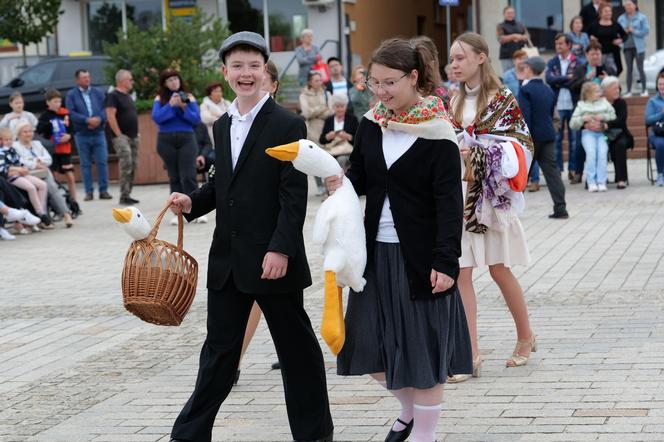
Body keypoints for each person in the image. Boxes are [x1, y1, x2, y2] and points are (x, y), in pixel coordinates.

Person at [166, 31, 334, 442]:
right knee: (219, 353)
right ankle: (187, 435)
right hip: (228, 260)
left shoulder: (287, 123)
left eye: (253, 66)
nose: (246, 73)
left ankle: (314, 436)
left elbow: (292, 198)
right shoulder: (222, 125)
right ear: (225, 73)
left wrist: (280, 249)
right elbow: (225, 184)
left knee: (298, 353)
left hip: (274, 261)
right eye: (237, 66)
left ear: (265, 72)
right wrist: (193, 202)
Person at [324, 36, 471, 442]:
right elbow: (363, 173)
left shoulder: (438, 131)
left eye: (390, 83)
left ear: (413, 77)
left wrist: (446, 262)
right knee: (363, 344)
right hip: (374, 254)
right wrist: (343, 182)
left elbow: (449, 203)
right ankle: (408, 410)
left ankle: (424, 433)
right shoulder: (372, 124)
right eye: (375, 82)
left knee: (422, 353)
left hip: (422, 258)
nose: (382, 91)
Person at [447, 32, 536, 384]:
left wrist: (481, 152)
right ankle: (469, 354)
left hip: (490, 197)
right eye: (451, 59)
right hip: (459, 195)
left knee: (500, 269)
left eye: (460, 58)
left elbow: (522, 144)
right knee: (460, 272)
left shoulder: (502, 98)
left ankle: (526, 336)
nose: (453, 65)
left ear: (481, 57)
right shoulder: (451, 100)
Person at [237, 57, 283, 376]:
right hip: (245, 225)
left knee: (264, 297)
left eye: (262, 78)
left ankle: (233, 361)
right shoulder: (237, 120)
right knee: (264, 298)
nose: (254, 82)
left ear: (273, 85)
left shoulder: (283, 124)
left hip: (274, 227)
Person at [518, 57, 569, 219]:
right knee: (552, 172)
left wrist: (524, 139)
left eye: (525, 67)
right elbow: (549, 113)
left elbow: (525, 117)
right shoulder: (548, 89)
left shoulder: (525, 90)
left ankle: (512, 210)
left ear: (531, 69)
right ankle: (561, 208)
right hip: (548, 135)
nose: (523, 70)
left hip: (531, 137)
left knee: (522, 174)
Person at [152, 68, 201, 225]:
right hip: (166, 140)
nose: (174, 82)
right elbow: (157, 118)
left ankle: (197, 209)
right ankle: (177, 212)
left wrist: (183, 107)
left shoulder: (189, 97)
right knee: (174, 177)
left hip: (187, 138)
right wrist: (170, 106)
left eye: (176, 79)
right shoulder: (160, 98)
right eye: (170, 80)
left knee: (188, 175)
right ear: (165, 84)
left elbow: (195, 119)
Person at [570, 41, 616, 184]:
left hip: (602, 110)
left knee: (602, 149)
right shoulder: (580, 69)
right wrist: (587, 78)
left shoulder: (608, 68)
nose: (595, 56)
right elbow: (573, 86)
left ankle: (602, 175)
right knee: (579, 144)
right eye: (592, 54)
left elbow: (615, 85)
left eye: (598, 53)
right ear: (587, 55)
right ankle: (578, 172)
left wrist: (607, 79)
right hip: (585, 110)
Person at [13, 121, 74, 227]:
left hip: (43, 172)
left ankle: (66, 214)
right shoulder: (15, 146)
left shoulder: (37, 144)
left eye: (30, 131)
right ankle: (43, 217)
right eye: (25, 132)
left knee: (52, 188)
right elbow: (21, 162)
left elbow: (48, 159)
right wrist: (36, 163)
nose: (28, 134)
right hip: (27, 175)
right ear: (19, 134)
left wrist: (36, 159)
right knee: (42, 187)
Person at [66, 69, 111, 201]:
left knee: (102, 161)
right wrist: (87, 120)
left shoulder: (98, 92)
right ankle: (88, 192)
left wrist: (98, 119)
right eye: (84, 77)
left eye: (88, 77)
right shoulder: (72, 95)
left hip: (98, 132)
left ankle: (104, 191)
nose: (87, 79)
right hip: (82, 134)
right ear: (77, 80)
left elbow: (105, 109)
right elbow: (71, 113)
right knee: (85, 164)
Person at [0, 127, 51, 230]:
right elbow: (3, 168)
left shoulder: (12, 150)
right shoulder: (1, 152)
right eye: (6, 140)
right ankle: (39, 213)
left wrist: (26, 167)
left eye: (10, 139)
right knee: (31, 187)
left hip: (21, 173)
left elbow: (21, 161)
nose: (9, 142)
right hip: (12, 177)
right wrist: (18, 169)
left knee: (42, 185)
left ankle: (41, 212)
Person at [570, 81, 616, 192]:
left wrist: (603, 116)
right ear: (588, 93)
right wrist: (582, 119)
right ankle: (591, 182)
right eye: (596, 91)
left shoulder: (604, 102)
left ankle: (602, 181)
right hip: (588, 134)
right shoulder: (581, 105)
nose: (599, 92)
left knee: (602, 153)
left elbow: (613, 115)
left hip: (602, 134)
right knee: (591, 154)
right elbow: (572, 123)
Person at [546, 33, 580, 180]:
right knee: (557, 139)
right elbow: (549, 79)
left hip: (573, 105)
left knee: (574, 139)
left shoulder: (577, 61)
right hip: (557, 105)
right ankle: (559, 169)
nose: (558, 46)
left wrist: (559, 81)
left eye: (561, 43)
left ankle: (573, 169)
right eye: (556, 44)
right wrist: (567, 78)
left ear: (568, 45)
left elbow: (578, 80)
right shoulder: (552, 62)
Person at [36, 89, 78, 207]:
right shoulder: (45, 116)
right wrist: (49, 125)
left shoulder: (65, 114)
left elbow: (72, 129)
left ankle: (74, 201)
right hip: (52, 151)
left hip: (65, 149)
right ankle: (58, 203)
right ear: (48, 102)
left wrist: (69, 136)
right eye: (55, 101)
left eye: (59, 101)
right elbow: (40, 131)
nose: (58, 104)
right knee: (54, 177)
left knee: (70, 176)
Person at [105, 69, 140, 205]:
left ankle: (128, 193)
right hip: (122, 137)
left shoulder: (128, 96)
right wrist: (119, 134)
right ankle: (123, 195)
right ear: (122, 81)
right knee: (126, 163)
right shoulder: (113, 96)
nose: (132, 82)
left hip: (133, 136)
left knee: (134, 164)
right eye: (130, 79)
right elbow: (110, 115)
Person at [300, 70, 333, 195]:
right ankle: (319, 185)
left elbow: (330, 111)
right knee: (315, 158)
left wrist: (316, 111)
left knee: (328, 157)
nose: (319, 83)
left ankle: (328, 184)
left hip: (326, 127)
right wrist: (320, 108)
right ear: (310, 82)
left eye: (320, 80)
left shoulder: (326, 93)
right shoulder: (304, 95)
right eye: (316, 80)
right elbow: (306, 112)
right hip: (312, 130)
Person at [601, 76, 634, 189]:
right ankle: (599, 178)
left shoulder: (621, 103)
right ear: (605, 90)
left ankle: (621, 179)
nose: (618, 90)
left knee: (619, 144)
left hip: (620, 134)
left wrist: (607, 124)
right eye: (614, 88)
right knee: (599, 145)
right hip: (603, 135)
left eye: (618, 88)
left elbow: (621, 120)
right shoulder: (599, 102)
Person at [617, 0, 650, 97]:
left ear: (635, 6)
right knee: (629, 69)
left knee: (640, 68)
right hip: (627, 47)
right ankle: (628, 91)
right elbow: (618, 33)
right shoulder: (621, 18)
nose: (628, 7)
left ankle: (644, 90)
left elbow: (646, 31)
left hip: (639, 47)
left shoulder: (642, 17)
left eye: (630, 5)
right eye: (626, 5)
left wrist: (634, 31)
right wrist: (625, 32)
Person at [319, 94, 358, 169]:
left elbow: (359, 139)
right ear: (333, 107)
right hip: (332, 150)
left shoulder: (353, 119)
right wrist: (328, 136)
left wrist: (348, 137)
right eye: (337, 107)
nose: (340, 109)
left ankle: (340, 180)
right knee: (321, 161)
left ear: (346, 107)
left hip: (347, 151)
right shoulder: (329, 120)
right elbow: (321, 140)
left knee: (341, 160)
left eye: (342, 106)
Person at [588, 3, 627, 76]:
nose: (608, 13)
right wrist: (591, 38)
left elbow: (625, 35)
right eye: (606, 11)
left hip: (613, 53)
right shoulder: (595, 25)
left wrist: (620, 40)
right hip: (600, 54)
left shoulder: (615, 24)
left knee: (614, 72)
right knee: (599, 73)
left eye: (610, 11)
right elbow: (587, 34)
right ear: (600, 13)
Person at [496, 6, 529, 73]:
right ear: (504, 14)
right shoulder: (500, 26)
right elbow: (500, 39)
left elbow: (527, 36)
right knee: (508, 77)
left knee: (522, 76)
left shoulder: (520, 24)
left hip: (520, 56)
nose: (510, 15)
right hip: (507, 56)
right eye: (508, 13)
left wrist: (519, 37)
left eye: (512, 13)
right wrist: (514, 36)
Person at [645, 72, 664, 186]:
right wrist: (661, 114)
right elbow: (648, 120)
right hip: (657, 133)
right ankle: (661, 174)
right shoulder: (652, 101)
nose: (662, 87)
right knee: (661, 144)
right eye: (660, 84)